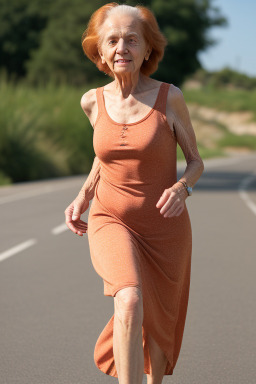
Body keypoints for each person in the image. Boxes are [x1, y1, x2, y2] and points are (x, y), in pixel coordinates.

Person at [64, 2, 204, 383]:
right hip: (112, 218)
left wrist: (182, 187)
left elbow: (195, 161)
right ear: (100, 51)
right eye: (112, 40)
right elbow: (105, 157)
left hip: (165, 228)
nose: (121, 47)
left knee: (159, 325)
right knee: (128, 298)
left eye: (131, 39)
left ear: (147, 49)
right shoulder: (92, 101)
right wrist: (84, 195)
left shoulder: (169, 97)